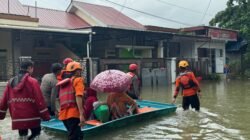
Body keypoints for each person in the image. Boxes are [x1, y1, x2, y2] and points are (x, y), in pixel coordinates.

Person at [0, 60, 50, 140]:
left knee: (22, 136)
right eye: (32, 68)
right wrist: (45, 116)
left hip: (17, 117)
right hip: (32, 117)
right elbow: (39, 100)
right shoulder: (33, 81)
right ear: (30, 68)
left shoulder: (10, 82)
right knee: (37, 135)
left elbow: (4, 100)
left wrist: (1, 114)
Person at [57, 61, 85, 140]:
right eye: (79, 70)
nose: (80, 72)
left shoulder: (63, 83)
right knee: (74, 137)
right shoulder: (78, 80)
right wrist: (81, 114)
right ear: (77, 71)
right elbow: (78, 96)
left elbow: (59, 99)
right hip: (73, 113)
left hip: (63, 115)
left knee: (78, 135)